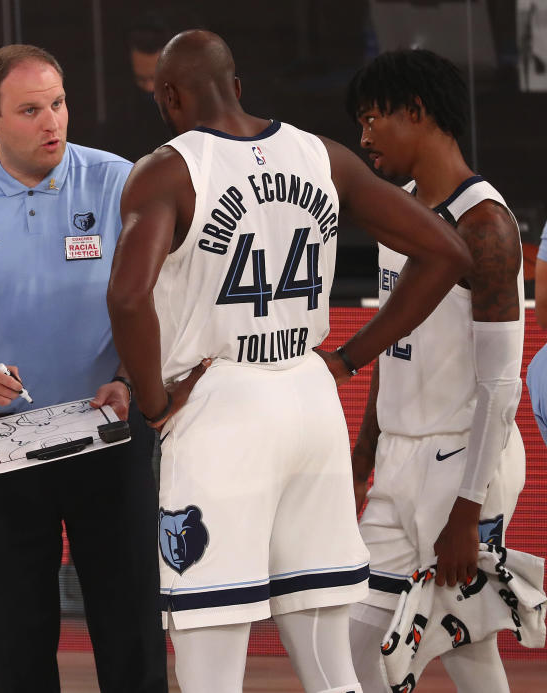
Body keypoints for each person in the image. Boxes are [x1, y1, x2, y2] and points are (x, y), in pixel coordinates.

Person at [106, 31, 471, 693]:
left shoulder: (167, 167)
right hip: (309, 396)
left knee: (210, 654)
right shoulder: (319, 153)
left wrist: (156, 403)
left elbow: (129, 295)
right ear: (237, 86)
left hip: (222, 401)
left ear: (168, 96)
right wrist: (350, 357)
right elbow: (447, 251)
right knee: (331, 662)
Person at [0, 44, 167, 692]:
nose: (53, 123)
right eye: (31, 110)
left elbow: (165, 301)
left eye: (59, 104)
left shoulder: (120, 181)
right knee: (18, 639)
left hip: (110, 432)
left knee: (133, 633)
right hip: (2, 442)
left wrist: (128, 377)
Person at [344, 49, 526, 693]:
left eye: (373, 120)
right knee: (353, 642)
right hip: (398, 456)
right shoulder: (400, 211)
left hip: (462, 469)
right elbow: (399, 344)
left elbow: (503, 383)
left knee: (467, 651)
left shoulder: (485, 224)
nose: (364, 139)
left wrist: (468, 510)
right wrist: (366, 448)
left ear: (416, 112)